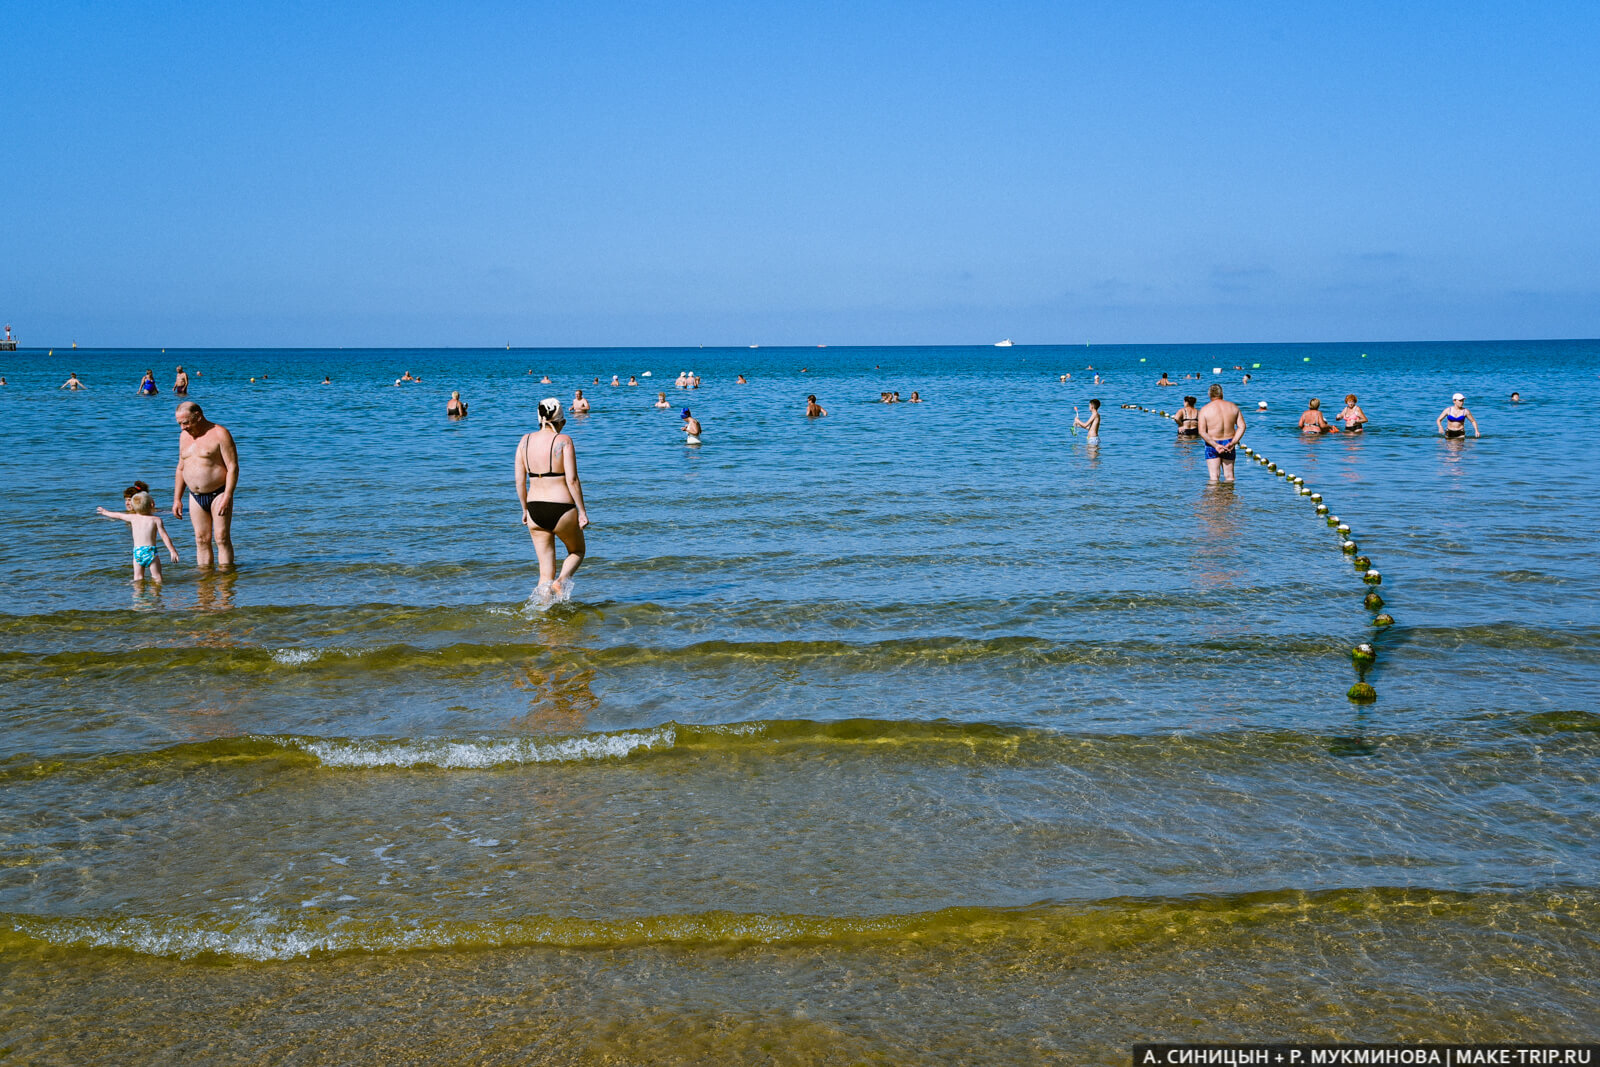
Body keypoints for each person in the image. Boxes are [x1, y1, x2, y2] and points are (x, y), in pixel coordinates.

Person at [516, 398, 588, 597]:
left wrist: (524, 510)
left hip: (534, 510)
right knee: (577, 551)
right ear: (561, 422)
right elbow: (572, 479)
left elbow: (519, 481)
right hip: (562, 508)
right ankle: (562, 582)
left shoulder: (524, 441)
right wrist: (582, 511)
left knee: (545, 575)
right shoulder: (564, 440)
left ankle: (544, 620)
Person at [172, 401, 239, 568]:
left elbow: (232, 467)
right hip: (195, 496)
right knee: (201, 539)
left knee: (221, 538)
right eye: (179, 423)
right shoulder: (184, 437)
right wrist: (177, 499)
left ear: (198, 416)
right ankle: (205, 585)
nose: (182, 427)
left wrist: (228, 496)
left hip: (219, 493)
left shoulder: (220, 434)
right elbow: (181, 467)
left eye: (185, 422)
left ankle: (226, 582)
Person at [98, 489, 180, 583]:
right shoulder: (156, 520)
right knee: (157, 578)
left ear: (133, 507)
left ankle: (138, 596)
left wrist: (105, 512)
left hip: (137, 552)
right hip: (150, 552)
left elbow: (118, 515)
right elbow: (164, 536)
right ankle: (156, 596)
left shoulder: (132, 518)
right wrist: (172, 551)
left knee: (138, 578)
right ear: (152, 505)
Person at [1198, 384, 1246, 482]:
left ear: (1209, 395)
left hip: (1212, 443)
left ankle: (1215, 497)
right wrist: (1233, 442)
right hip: (1229, 443)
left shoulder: (1205, 409)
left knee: (1214, 477)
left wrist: (1215, 445)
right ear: (1222, 394)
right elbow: (1242, 426)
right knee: (1229, 476)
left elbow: (1202, 432)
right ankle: (1229, 496)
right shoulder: (1233, 407)